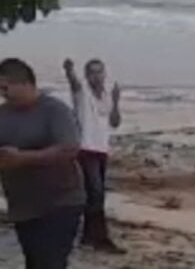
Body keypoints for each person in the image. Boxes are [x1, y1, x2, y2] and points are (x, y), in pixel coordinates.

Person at [0, 58, 86, 269]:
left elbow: (69, 149)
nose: (2, 93)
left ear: (26, 83)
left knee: (50, 263)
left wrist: (23, 158)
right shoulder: (2, 114)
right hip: (22, 206)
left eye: (5, 87)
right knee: (34, 262)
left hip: (60, 202)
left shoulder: (55, 110)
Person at [63, 58, 123, 253]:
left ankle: (89, 237)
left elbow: (114, 122)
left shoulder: (106, 95)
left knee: (95, 195)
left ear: (105, 74)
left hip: (101, 150)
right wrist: (69, 70)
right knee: (96, 192)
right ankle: (100, 238)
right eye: (92, 72)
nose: (96, 76)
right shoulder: (83, 93)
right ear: (87, 75)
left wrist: (116, 100)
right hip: (85, 149)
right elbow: (74, 84)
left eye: (99, 72)